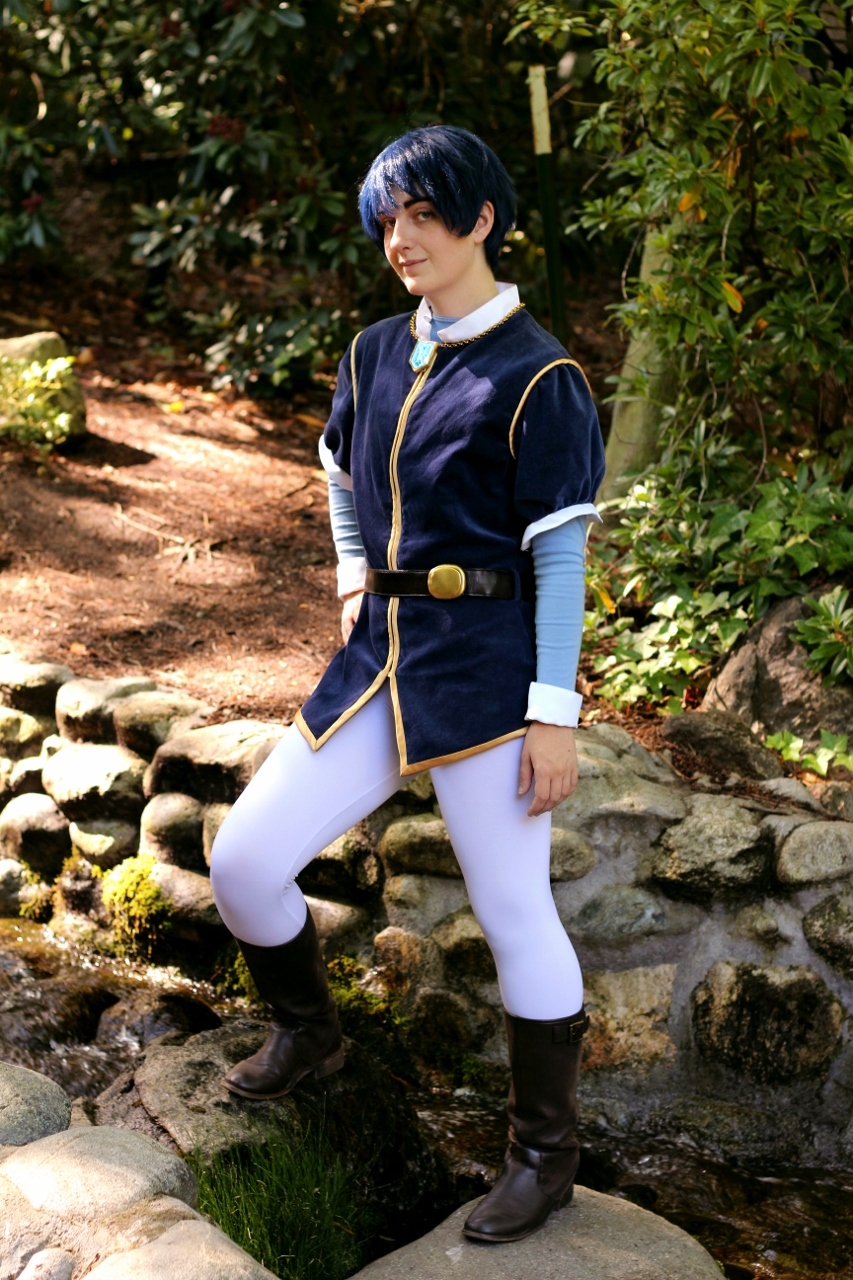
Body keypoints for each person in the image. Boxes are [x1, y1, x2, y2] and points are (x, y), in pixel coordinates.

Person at [210, 124, 605, 1245]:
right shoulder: (375, 349)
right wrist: (351, 570)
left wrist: (554, 713)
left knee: (514, 911)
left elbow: (561, 559)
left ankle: (544, 1157)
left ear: (481, 219)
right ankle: (310, 1031)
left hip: (486, 675)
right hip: (374, 662)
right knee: (241, 862)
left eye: (424, 215)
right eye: (388, 220)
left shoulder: (542, 376)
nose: (401, 239)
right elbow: (341, 468)